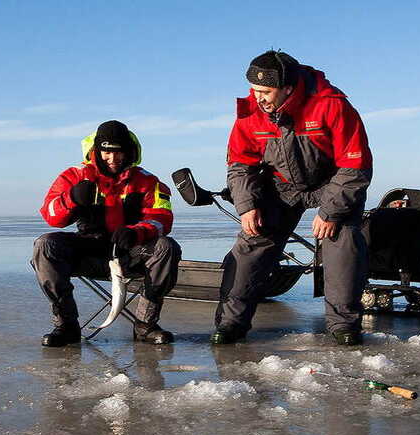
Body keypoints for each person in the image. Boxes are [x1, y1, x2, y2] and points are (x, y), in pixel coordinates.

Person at [213, 50, 373, 346]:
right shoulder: (250, 113)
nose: (258, 97)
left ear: (287, 87)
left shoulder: (331, 105)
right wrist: (247, 206)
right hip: (281, 186)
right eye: (255, 89)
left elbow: (355, 165)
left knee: (343, 242)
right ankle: (230, 324)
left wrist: (331, 212)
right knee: (251, 242)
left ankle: (344, 326)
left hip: (332, 183)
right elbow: (239, 165)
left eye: (265, 91)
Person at [32, 120, 181, 347]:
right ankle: (66, 325)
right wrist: (71, 198)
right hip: (88, 251)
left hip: (130, 252)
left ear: (129, 151)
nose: (113, 159)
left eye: (119, 152)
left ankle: (145, 325)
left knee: (166, 247)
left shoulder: (148, 181)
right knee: (45, 244)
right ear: (97, 151)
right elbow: (51, 216)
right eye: (107, 152)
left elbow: (162, 218)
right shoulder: (74, 176)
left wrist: (137, 232)